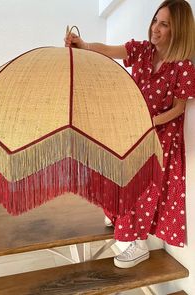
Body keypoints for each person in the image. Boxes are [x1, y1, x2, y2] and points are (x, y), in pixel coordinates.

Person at [65, 0, 195, 268]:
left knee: (142, 191)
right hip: (134, 130)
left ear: (178, 30)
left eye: (164, 24)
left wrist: (149, 123)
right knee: (113, 174)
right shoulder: (144, 51)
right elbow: (110, 50)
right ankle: (117, 216)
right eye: (155, 21)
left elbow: (178, 109)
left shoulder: (183, 66)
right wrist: (84, 45)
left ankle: (138, 244)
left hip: (160, 138)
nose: (155, 29)